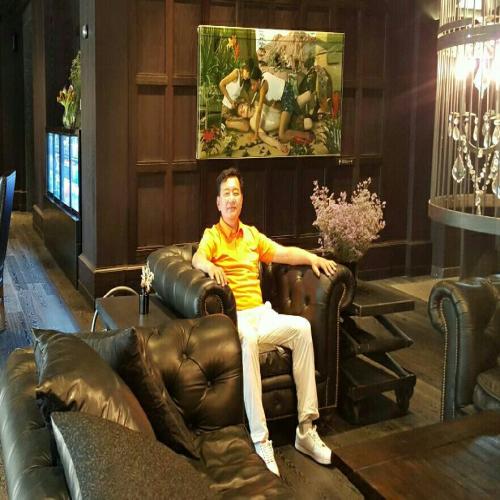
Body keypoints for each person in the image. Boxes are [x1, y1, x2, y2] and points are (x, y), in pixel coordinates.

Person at [192, 167, 337, 477]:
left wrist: (312, 257)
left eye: (236, 193)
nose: (232, 199)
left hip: (260, 313)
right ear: (218, 202)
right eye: (226, 194)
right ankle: (260, 439)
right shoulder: (212, 235)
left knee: (302, 329)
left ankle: (306, 429)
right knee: (248, 339)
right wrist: (208, 267)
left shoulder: (252, 235)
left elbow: (284, 253)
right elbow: (197, 258)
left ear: (242, 199)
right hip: (235, 319)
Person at [249, 66, 314, 144]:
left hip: (287, 97)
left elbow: (259, 111)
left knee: (282, 136)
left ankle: (306, 135)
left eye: (253, 84)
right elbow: (275, 87)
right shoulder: (264, 75)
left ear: (259, 81)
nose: (252, 87)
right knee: (278, 115)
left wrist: (256, 134)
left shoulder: (263, 88)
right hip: (286, 91)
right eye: (251, 85)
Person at [219, 60, 254, 132]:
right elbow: (221, 84)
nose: (248, 77)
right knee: (246, 127)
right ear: (244, 69)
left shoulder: (243, 80)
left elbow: (237, 95)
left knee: (247, 125)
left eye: (249, 75)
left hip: (233, 108)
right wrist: (230, 101)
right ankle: (225, 122)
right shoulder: (236, 73)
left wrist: (244, 101)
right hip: (226, 109)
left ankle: (228, 122)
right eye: (248, 73)